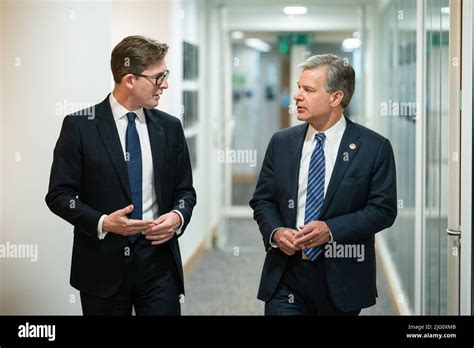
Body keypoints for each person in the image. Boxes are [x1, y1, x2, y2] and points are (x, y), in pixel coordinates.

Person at [46, 35, 196, 315]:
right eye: (158, 77)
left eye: (166, 75)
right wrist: (104, 222)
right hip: (101, 265)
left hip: (159, 263)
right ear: (129, 79)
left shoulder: (170, 127)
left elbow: (185, 191)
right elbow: (59, 195)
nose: (165, 84)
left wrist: (177, 217)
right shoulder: (80, 126)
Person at [249, 54, 397, 315]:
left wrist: (330, 229)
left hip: (342, 276)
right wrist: (275, 232)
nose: (296, 96)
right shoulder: (281, 142)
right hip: (286, 274)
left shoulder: (373, 147)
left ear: (336, 97)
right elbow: (263, 200)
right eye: (298, 87)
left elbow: (383, 210)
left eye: (308, 90)